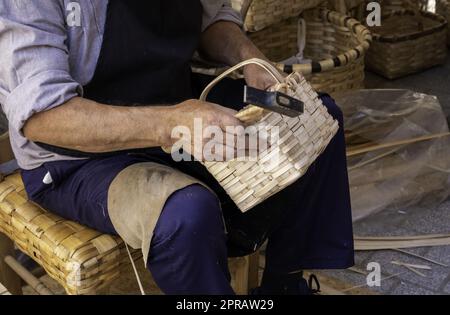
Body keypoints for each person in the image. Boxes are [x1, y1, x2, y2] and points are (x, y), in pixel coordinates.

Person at [0, 0, 354, 295]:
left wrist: (252, 60)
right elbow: (43, 117)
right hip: (77, 157)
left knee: (308, 118)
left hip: (174, 102)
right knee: (186, 215)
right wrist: (172, 123)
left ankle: (285, 285)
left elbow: (210, 20)